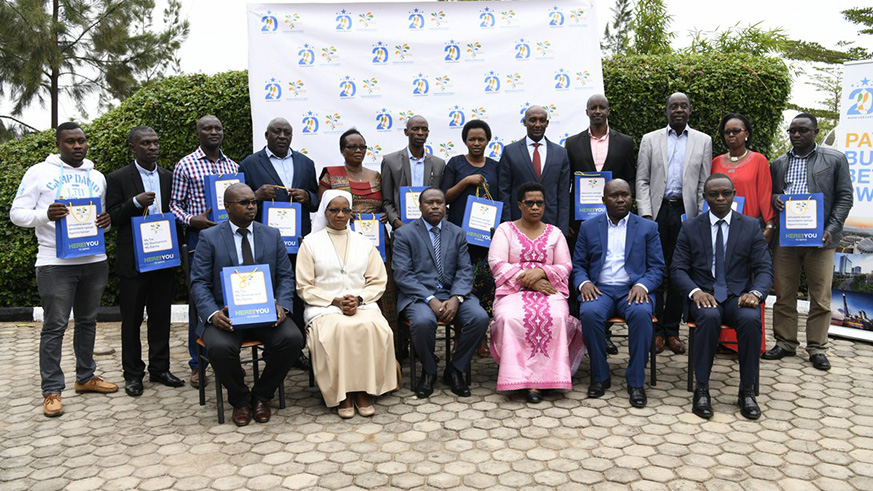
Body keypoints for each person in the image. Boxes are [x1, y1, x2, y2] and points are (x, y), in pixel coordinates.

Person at [10, 122, 117, 417]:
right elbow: (16, 213)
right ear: (58, 144)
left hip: (94, 261)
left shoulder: (97, 176)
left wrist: (104, 223)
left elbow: (100, 220)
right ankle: (52, 390)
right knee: (55, 326)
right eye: (70, 141)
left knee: (88, 321)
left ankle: (85, 378)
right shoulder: (39, 173)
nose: (78, 146)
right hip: (54, 263)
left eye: (82, 141)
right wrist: (45, 214)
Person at [189, 183, 304, 426]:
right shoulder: (209, 237)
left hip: (265, 312)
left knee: (293, 339)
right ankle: (239, 399)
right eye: (244, 203)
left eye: (253, 201)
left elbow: (285, 276)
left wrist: (282, 306)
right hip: (226, 315)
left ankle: (262, 395)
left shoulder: (271, 234)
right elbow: (198, 283)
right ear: (227, 207)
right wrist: (212, 314)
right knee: (220, 349)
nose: (251, 206)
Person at [672, 174, 773, 419]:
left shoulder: (750, 226)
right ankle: (702, 389)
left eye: (725, 193)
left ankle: (746, 391)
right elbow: (677, 269)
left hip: (737, 296)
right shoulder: (690, 226)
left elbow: (764, 269)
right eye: (714, 194)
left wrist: (756, 293)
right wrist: (695, 292)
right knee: (708, 317)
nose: (720, 198)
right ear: (705, 197)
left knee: (750, 320)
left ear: (733, 194)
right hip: (704, 295)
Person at [763, 113, 853, 371]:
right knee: (783, 293)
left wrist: (831, 228)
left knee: (821, 297)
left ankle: (817, 347)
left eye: (802, 130)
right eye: (792, 131)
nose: (796, 135)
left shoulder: (834, 159)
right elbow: (773, 193)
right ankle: (785, 342)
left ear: (815, 131)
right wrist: (775, 198)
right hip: (787, 240)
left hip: (821, 240)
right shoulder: (779, 163)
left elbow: (845, 197)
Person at [296, 190, 397, 418]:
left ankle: (363, 390)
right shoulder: (310, 243)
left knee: (375, 328)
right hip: (323, 305)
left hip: (361, 303)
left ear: (351, 213)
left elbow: (378, 280)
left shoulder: (364, 242)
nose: (340, 215)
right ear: (325, 212)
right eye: (334, 210)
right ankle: (343, 394)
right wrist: (335, 301)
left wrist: (358, 299)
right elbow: (304, 286)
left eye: (345, 210)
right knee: (340, 330)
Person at [106, 126, 184, 397]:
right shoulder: (117, 178)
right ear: (133, 148)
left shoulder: (169, 176)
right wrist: (135, 203)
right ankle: (133, 374)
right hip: (134, 262)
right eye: (146, 143)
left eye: (155, 142)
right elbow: (112, 218)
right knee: (131, 320)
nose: (152, 147)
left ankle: (160, 369)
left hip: (163, 257)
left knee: (161, 316)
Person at [488, 182, 584, 403]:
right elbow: (496, 262)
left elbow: (565, 265)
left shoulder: (555, 233)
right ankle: (519, 378)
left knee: (557, 316)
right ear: (520, 205)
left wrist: (541, 271)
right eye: (529, 203)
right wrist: (530, 280)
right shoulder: (505, 230)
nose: (534, 207)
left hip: (548, 289)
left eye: (539, 203)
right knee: (510, 317)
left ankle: (550, 378)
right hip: (512, 291)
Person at [573, 179, 665, 408]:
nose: (621, 199)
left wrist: (642, 285)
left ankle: (635, 382)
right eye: (615, 195)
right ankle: (600, 376)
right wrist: (583, 282)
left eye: (625, 194)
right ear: (604, 200)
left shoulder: (647, 227)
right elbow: (578, 265)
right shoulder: (589, 226)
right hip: (600, 289)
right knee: (590, 313)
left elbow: (657, 268)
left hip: (632, 290)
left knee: (642, 313)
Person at [393, 188, 490, 399]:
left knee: (479, 317)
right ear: (420, 207)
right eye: (429, 202)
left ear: (445, 206)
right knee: (422, 321)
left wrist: (456, 298)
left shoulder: (457, 233)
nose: (435, 206)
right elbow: (403, 275)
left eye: (439, 202)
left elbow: (465, 270)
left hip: (453, 294)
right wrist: (430, 299)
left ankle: (455, 369)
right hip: (418, 296)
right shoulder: (404, 234)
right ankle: (429, 371)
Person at [240, 117, 319, 372]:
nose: (282, 136)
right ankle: (269, 348)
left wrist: (308, 196)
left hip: (297, 241)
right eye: (277, 131)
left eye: (287, 132)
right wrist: (256, 195)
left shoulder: (306, 163)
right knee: (267, 290)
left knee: (296, 294)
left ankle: (294, 350)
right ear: (266, 134)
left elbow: (317, 200)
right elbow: (238, 199)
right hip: (264, 241)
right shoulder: (250, 164)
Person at [636, 92, 712, 355]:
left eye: (683, 106)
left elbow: (705, 182)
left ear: (690, 110)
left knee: (681, 271)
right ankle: (656, 330)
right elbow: (642, 180)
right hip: (657, 214)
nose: (678, 110)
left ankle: (672, 330)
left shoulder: (703, 140)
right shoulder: (650, 139)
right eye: (673, 106)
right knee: (655, 270)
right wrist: (646, 216)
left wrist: (700, 217)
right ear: (666, 111)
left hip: (687, 214)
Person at [170, 115, 239, 388]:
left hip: (232, 239)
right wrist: (191, 220)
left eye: (217, 128)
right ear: (197, 133)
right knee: (201, 301)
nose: (213, 132)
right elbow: (174, 205)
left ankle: (229, 359)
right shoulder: (185, 165)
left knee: (234, 296)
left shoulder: (233, 166)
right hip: (200, 238)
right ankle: (198, 364)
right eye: (207, 128)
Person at [564, 93, 637, 355]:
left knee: (608, 268)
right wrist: (569, 220)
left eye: (602, 107)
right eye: (592, 107)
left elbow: (629, 178)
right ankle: (581, 331)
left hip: (614, 219)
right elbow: (567, 184)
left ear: (608, 110)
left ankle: (603, 335)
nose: (597, 111)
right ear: (586, 112)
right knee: (588, 271)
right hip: (583, 221)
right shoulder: (572, 144)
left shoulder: (625, 143)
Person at [319, 129, 398, 334]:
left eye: (362, 146)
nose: (358, 150)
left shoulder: (377, 176)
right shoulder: (331, 175)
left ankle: (393, 347)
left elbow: (387, 204)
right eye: (352, 146)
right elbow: (325, 208)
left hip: (378, 243)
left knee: (383, 289)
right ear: (342, 150)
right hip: (341, 243)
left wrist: (384, 215)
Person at [440, 119, 499, 356]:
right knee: (460, 285)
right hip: (459, 235)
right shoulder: (455, 164)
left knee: (485, 284)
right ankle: (459, 336)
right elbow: (445, 197)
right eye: (472, 139)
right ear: (465, 141)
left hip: (486, 238)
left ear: (488, 141)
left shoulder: (496, 166)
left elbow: (501, 197)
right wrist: (466, 180)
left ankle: (481, 335)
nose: (476, 143)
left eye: (481, 139)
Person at [499, 105, 571, 234]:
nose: (537, 124)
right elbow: (504, 191)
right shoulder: (510, 152)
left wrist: (562, 230)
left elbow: (563, 195)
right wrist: (508, 226)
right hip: (518, 225)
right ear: (525, 122)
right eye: (533, 120)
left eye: (542, 120)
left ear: (547, 123)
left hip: (551, 224)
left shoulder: (560, 153)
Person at [381, 115, 446, 230]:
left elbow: (443, 200)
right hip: (402, 228)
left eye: (424, 129)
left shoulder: (438, 164)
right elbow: (387, 201)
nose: (420, 133)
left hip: (432, 228)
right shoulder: (390, 161)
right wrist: (396, 222)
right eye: (415, 129)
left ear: (428, 133)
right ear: (406, 132)